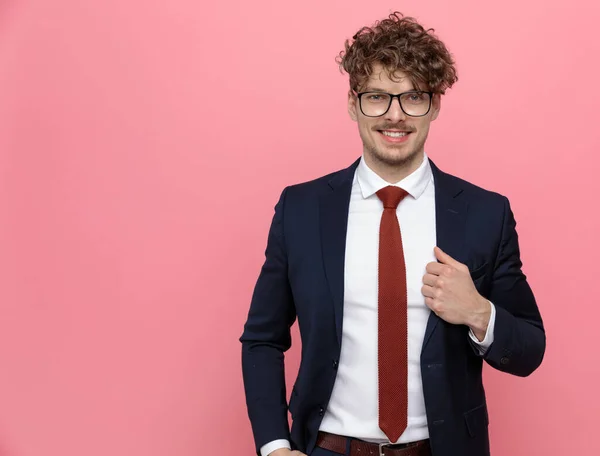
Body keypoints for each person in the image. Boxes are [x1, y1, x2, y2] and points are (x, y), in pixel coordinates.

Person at [240, 12, 545, 456]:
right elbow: (262, 338)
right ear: (353, 102)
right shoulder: (301, 210)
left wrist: (480, 313)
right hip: (329, 448)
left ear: (435, 104)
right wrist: (273, 446)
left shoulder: (485, 213)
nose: (395, 115)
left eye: (413, 97)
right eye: (377, 97)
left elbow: (529, 349)